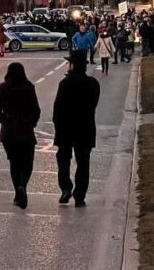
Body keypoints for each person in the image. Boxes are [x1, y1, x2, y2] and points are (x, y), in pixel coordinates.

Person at [53, 49, 100, 207]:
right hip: (85, 129)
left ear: (73, 66)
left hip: (66, 129)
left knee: (63, 161)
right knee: (83, 163)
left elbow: (57, 109)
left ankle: (66, 188)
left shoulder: (65, 84)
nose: (67, 65)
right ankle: (80, 195)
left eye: (68, 63)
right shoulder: (92, 84)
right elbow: (93, 104)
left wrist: (57, 126)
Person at [0, 62, 41, 209]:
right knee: (27, 162)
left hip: (8, 131)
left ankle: (17, 192)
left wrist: (4, 121)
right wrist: (31, 123)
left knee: (14, 162)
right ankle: (22, 186)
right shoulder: (28, 87)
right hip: (25, 128)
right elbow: (36, 110)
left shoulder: (3, 87)